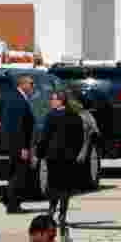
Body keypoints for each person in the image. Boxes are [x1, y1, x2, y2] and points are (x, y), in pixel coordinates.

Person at [37, 90, 86, 221]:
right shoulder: (75, 116)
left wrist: (40, 152)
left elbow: (45, 137)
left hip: (53, 155)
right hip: (69, 156)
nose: (51, 102)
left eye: (53, 99)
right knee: (65, 185)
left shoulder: (51, 116)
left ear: (60, 101)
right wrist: (75, 152)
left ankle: (52, 208)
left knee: (53, 183)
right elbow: (80, 138)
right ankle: (63, 212)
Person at [0, 75, 36, 214]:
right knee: (19, 175)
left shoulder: (12, 96)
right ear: (22, 85)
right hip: (17, 143)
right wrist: (24, 147)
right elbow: (20, 126)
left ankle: (8, 198)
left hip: (10, 143)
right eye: (31, 84)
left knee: (13, 174)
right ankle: (13, 205)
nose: (33, 87)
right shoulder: (19, 100)